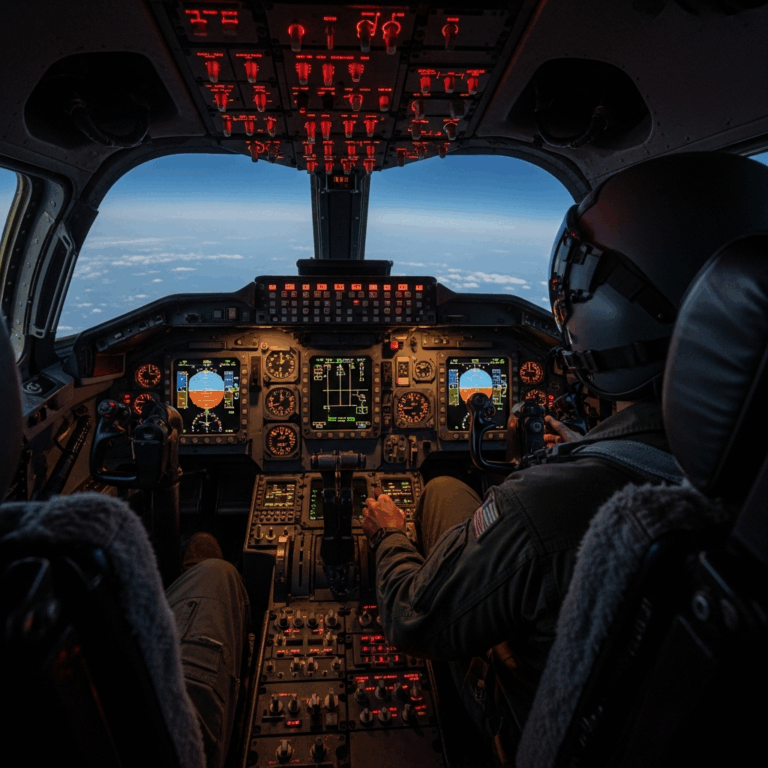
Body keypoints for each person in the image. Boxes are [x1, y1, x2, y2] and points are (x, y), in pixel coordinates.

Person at [363, 151, 768, 762]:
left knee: (436, 493)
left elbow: (415, 622)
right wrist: (587, 452)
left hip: (534, 721)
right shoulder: (752, 482)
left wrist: (389, 538)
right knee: (448, 490)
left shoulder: (545, 508)